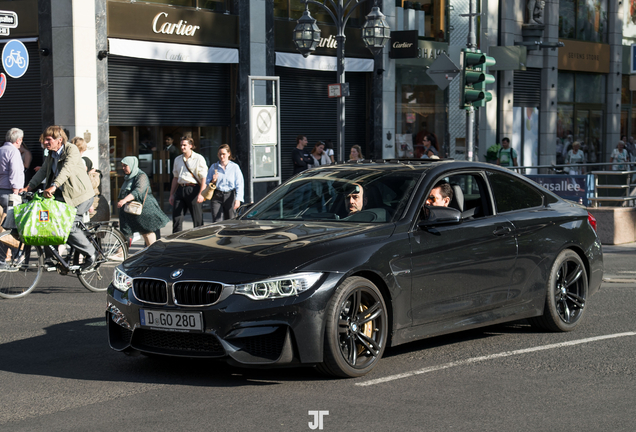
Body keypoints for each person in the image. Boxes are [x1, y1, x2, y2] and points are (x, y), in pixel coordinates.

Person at [20, 126, 96, 268]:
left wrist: (54, 186)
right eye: (45, 140)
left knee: (70, 225)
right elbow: (43, 171)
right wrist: (28, 187)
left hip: (80, 196)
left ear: (59, 140)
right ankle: (53, 258)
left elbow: (67, 169)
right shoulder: (51, 155)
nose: (45, 142)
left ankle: (91, 254)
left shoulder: (71, 149)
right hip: (64, 198)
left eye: (49, 140)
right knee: (48, 222)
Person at [117, 156, 169, 246]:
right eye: (122, 166)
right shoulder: (128, 177)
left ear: (132, 165)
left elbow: (138, 191)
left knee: (147, 232)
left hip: (144, 209)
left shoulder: (141, 175)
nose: (123, 168)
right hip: (130, 210)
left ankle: (153, 252)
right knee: (126, 232)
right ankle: (121, 252)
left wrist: (124, 200)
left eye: (125, 166)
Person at [169, 136, 208, 233]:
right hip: (180, 189)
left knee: (197, 219)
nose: (182, 147)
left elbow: (204, 178)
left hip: (194, 189)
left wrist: (201, 194)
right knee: (177, 218)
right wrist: (171, 194)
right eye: (181, 145)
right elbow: (175, 178)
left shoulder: (199, 158)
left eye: (184, 145)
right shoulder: (177, 159)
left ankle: (199, 241)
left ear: (191, 146)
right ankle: (176, 242)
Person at [0, 128, 25, 249]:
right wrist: (16, 189)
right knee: (10, 225)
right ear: (18, 140)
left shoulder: (1, 150)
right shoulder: (14, 152)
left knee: (2, 223)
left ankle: (5, 256)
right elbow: (15, 171)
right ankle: (10, 255)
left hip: (1, 189)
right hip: (10, 191)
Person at [206, 144, 244, 222]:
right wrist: (212, 180)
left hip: (230, 195)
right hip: (217, 195)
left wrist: (238, 199)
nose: (222, 156)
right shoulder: (214, 167)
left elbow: (239, 184)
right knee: (217, 220)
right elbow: (207, 181)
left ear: (229, 154)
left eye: (224, 154)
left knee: (230, 220)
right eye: (220, 154)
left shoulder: (234, 167)